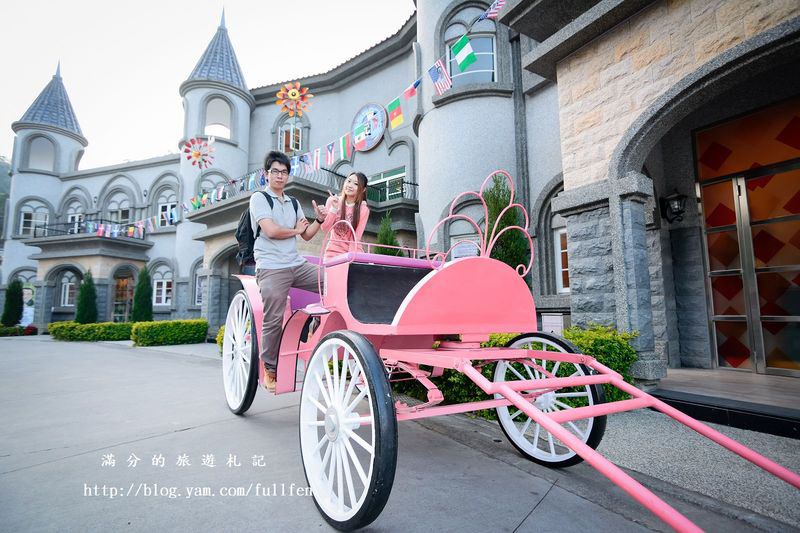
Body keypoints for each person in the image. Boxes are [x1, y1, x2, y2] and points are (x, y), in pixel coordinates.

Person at [250, 150, 328, 391]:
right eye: (275, 172)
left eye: (284, 172)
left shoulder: (293, 202)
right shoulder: (259, 199)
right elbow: (271, 231)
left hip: (296, 263)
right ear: (266, 174)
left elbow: (306, 234)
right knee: (273, 318)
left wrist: (319, 220)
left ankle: (315, 326)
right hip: (271, 267)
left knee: (334, 281)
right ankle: (270, 369)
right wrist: (294, 230)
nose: (280, 176)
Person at [319, 172, 370, 260]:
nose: (350, 185)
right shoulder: (332, 200)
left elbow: (356, 237)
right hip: (333, 252)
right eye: (349, 181)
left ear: (363, 189)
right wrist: (334, 209)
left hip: (352, 253)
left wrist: (350, 258)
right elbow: (325, 228)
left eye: (356, 184)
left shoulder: (363, 209)